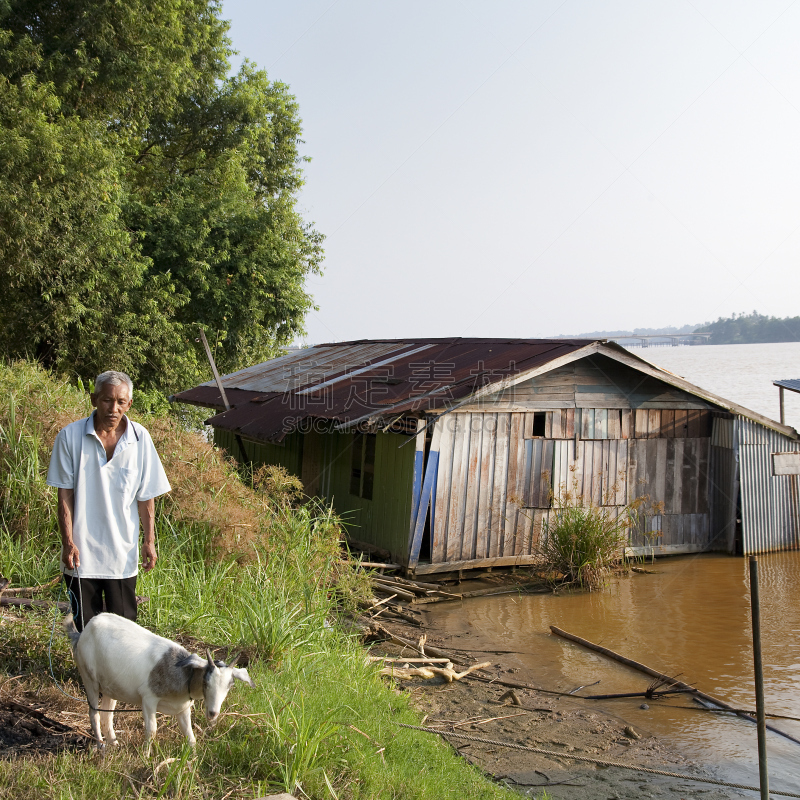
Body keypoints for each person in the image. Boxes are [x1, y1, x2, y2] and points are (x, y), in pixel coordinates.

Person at [47, 371, 171, 631]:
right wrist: (68, 542)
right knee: (86, 629)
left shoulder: (140, 439)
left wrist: (149, 541)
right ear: (94, 399)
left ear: (129, 405)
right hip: (82, 556)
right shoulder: (69, 437)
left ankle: (118, 675)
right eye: (106, 400)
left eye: (120, 402)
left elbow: (146, 496)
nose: (113, 409)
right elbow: (64, 496)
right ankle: (87, 673)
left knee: (125, 631)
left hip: (122, 556)